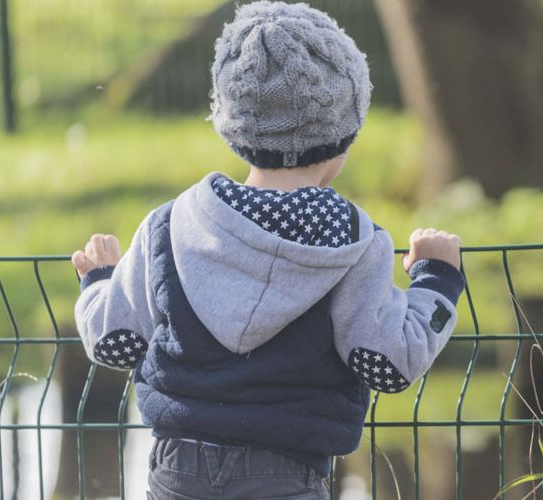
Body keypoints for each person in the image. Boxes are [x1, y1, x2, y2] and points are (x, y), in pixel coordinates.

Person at [71, 2, 463, 498]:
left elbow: (114, 342)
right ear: (344, 135)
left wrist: (100, 282)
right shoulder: (355, 243)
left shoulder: (169, 226)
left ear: (232, 125)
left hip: (178, 469)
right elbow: (388, 362)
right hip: (287, 473)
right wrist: (436, 278)